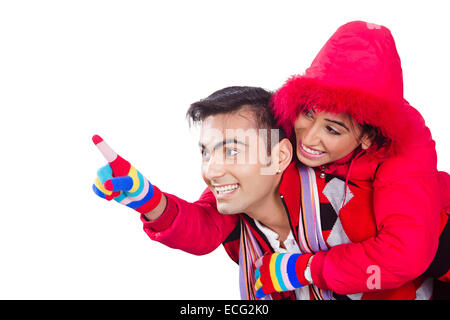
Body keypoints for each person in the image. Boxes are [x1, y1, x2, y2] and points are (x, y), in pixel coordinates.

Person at [92, 86, 441, 299]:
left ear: (280, 156)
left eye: (231, 150)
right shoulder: (235, 202)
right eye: (206, 151)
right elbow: (200, 228)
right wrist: (145, 197)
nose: (211, 170)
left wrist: (301, 270)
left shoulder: (349, 202)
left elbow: (406, 258)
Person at [255, 20, 450, 299]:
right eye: (308, 113)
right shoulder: (295, 120)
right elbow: (239, 181)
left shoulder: (405, 152)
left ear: (368, 137)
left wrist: (306, 270)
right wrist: (170, 213)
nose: (308, 138)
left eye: (333, 129)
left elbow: (406, 253)